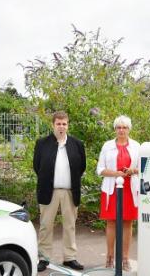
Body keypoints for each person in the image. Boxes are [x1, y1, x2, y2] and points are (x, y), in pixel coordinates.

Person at [33, 111, 86, 272]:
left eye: (64, 124)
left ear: (67, 125)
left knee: (70, 226)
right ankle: (43, 257)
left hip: (70, 192)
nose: (61, 127)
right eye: (58, 124)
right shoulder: (42, 143)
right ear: (53, 125)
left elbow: (82, 167)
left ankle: (69, 258)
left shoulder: (77, 144)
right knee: (45, 226)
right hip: (49, 191)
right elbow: (37, 166)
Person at [96, 115, 140, 272]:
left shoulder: (136, 146)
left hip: (130, 189)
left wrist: (132, 171)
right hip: (111, 189)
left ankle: (125, 258)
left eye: (124, 127)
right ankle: (109, 257)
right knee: (111, 222)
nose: (121, 130)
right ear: (115, 129)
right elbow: (99, 169)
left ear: (129, 129)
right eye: (119, 127)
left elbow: (143, 167)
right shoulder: (107, 146)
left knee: (128, 222)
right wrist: (116, 174)